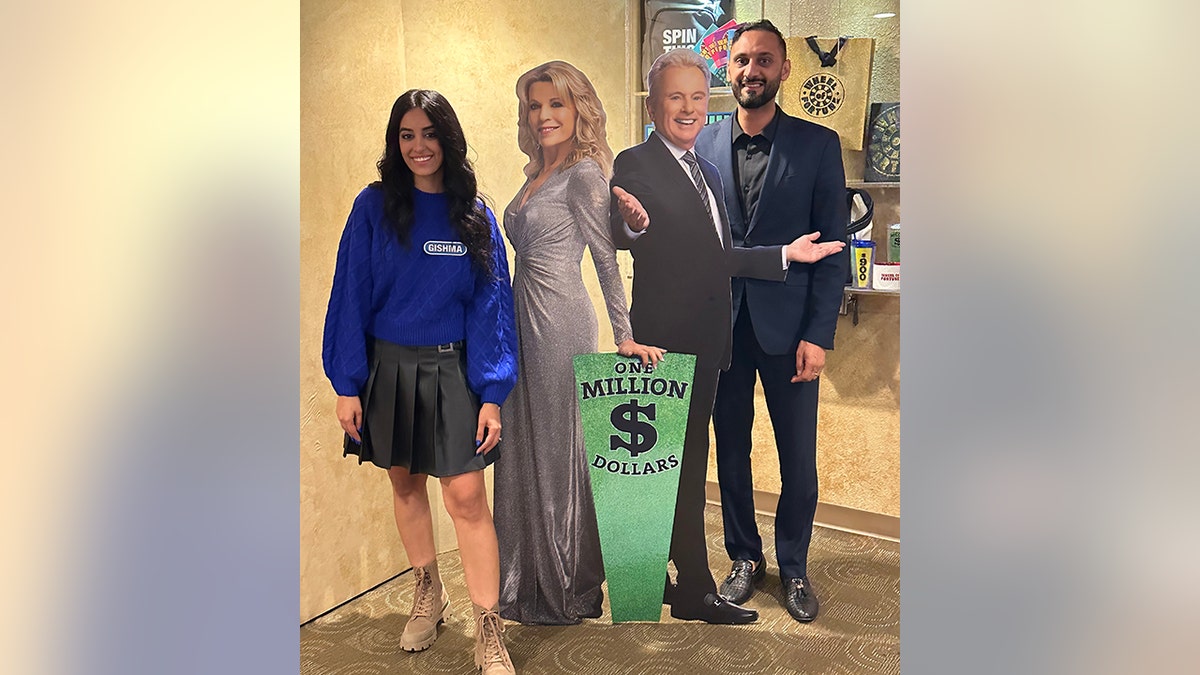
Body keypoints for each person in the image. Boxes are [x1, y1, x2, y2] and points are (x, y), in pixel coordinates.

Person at [609, 48, 843, 625]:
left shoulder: (717, 166)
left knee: (777, 460)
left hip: (762, 334)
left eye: (696, 96)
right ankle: (709, 571)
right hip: (678, 340)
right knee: (687, 464)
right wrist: (630, 226)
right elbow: (624, 224)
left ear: (784, 68)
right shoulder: (642, 161)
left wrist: (787, 260)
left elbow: (718, 254)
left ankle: (782, 569)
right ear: (652, 104)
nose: (688, 107)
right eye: (675, 97)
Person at [322, 89, 519, 674]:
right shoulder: (374, 207)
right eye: (406, 135)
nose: (418, 146)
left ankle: (489, 629)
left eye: (429, 134)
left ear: (448, 140)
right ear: (395, 143)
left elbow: (492, 309)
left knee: (466, 497)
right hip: (388, 367)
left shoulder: (473, 215)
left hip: (452, 369)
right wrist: (347, 383)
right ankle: (429, 592)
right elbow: (350, 293)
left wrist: (492, 394)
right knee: (405, 483)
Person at [495, 60, 663, 625]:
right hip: (518, 318)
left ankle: (565, 584)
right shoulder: (535, 173)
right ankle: (524, 578)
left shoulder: (585, 173)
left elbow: (605, 259)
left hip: (560, 320)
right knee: (522, 445)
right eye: (535, 105)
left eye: (556, 104)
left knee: (556, 450)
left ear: (577, 110)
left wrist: (624, 335)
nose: (543, 115)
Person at [694, 19, 849, 623]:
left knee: (798, 460)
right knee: (730, 450)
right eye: (741, 60)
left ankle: (795, 565)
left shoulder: (818, 145)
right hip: (722, 328)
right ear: (727, 68)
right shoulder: (701, 145)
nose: (751, 70)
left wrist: (818, 334)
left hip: (791, 331)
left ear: (784, 69)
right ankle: (744, 557)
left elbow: (832, 250)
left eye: (764, 60)